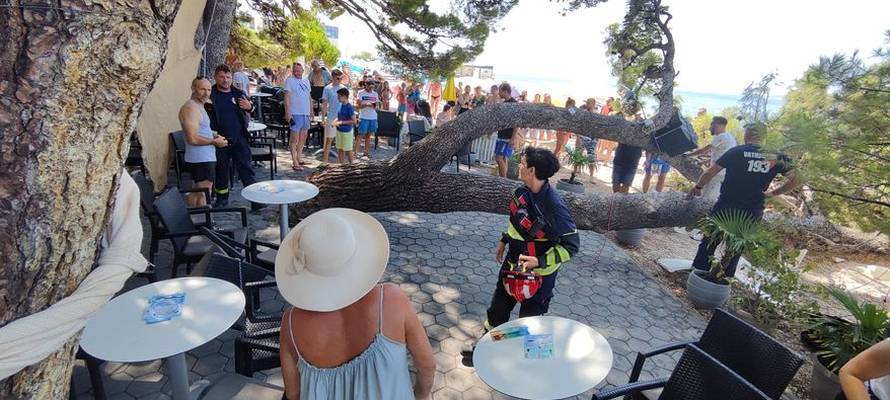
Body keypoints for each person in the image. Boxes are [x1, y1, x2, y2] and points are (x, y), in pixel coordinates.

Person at [276, 208, 436, 400]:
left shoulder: (292, 323)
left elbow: (293, 393)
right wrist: (421, 394)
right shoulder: (392, 300)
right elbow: (427, 364)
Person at [484, 147, 580, 331]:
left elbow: (572, 246)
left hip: (539, 276)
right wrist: (504, 240)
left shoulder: (554, 207)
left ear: (531, 170)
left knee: (529, 322)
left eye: (523, 163)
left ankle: (522, 357)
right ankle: (486, 348)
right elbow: (516, 221)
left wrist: (539, 261)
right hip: (513, 264)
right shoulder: (522, 192)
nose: (519, 166)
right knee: (497, 310)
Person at [688, 123, 799, 277]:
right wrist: (773, 193)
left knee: (710, 241)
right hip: (753, 209)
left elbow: (711, 171)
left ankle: (697, 273)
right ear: (764, 137)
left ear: (747, 135)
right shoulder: (776, 156)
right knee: (736, 248)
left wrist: (698, 187)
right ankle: (723, 280)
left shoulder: (737, 151)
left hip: (727, 204)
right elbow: (798, 179)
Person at [206, 64, 256, 208]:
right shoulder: (210, 95)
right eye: (222, 77)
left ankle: (255, 200)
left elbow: (251, 108)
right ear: (216, 77)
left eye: (228, 77)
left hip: (239, 138)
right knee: (221, 169)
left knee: (246, 168)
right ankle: (222, 199)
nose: (225, 80)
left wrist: (250, 107)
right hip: (219, 139)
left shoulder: (238, 93)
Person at [179, 77, 228, 207]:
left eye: (209, 89)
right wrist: (214, 142)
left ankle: (194, 222)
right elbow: (192, 138)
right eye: (202, 89)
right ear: (193, 88)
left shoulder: (198, 106)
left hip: (203, 157)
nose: (206, 93)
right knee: (204, 193)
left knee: (197, 192)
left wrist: (214, 135)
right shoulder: (191, 109)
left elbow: (200, 130)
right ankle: (206, 223)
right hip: (201, 158)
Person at [686, 116, 737, 199]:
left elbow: (704, 150)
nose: (710, 128)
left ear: (718, 125)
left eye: (712, 124)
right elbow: (723, 157)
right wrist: (703, 162)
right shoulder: (730, 137)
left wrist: (688, 155)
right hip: (724, 174)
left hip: (717, 174)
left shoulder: (721, 137)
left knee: (706, 198)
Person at [284, 62, 313, 171]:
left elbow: (309, 96)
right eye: (294, 70)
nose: (297, 72)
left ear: (302, 70)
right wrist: (288, 112)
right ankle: (294, 160)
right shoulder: (289, 81)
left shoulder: (306, 80)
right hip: (295, 113)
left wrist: (311, 111)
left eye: (299, 70)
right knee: (294, 138)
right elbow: (286, 97)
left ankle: (299, 157)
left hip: (305, 113)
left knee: (303, 136)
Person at [320, 69, 347, 164]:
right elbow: (324, 104)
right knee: (328, 140)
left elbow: (346, 104)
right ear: (332, 77)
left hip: (342, 118)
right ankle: (325, 162)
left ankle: (340, 164)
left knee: (341, 143)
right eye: (338, 78)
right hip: (331, 117)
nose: (340, 80)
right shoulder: (327, 88)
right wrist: (323, 119)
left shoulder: (344, 88)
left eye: (341, 78)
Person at [494, 82, 518, 177]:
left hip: (508, 136)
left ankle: (503, 180)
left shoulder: (514, 104)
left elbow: (517, 122)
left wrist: (513, 138)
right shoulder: (504, 103)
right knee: (503, 159)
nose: (499, 93)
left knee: (498, 158)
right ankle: (504, 179)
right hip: (501, 134)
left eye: (500, 90)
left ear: (505, 91)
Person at [355, 80, 379, 159]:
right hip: (364, 117)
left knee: (369, 135)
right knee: (360, 135)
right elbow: (358, 106)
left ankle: (366, 152)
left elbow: (378, 106)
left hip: (373, 117)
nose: (371, 89)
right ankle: (355, 153)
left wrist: (375, 105)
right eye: (370, 87)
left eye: (373, 87)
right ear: (366, 85)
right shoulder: (361, 93)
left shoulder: (375, 94)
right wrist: (366, 104)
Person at [333, 88, 357, 164]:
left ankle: (352, 166)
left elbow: (354, 121)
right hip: (339, 131)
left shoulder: (349, 107)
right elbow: (339, 117)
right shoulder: (340, 105)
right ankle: (341, 165)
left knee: (348, 150)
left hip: (347, 132)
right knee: (340, 149)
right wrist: (335, 121)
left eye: (339, 96)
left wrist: (341, 122)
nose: (337, 98)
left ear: (344, 96)